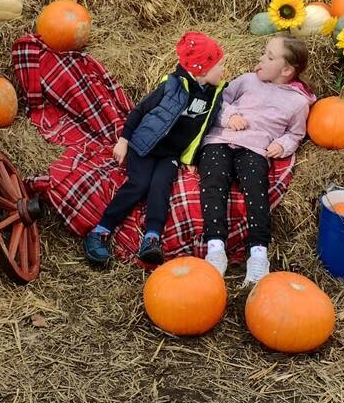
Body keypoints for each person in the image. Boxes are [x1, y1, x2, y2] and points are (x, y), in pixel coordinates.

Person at [84, 31, 226, 266]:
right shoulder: (172, 85)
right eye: (219, 65)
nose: (223, 70)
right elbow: (140, 110)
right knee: (139, 184)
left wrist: (191, 158)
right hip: (145, 145)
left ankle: (151, 239)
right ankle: (100, 230)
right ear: (202, 70)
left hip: (170, 154)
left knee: (160, 187)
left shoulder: (215, 94)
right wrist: (124, 140)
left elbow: (207, 126)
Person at [199, 34, 316, 286]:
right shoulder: (247, 80)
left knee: (256, 190)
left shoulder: (298, 103)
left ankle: (258, 254)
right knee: (214, 182)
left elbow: (295, 133)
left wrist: (282, 145)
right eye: (264, 53)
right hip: (220, 140)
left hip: (254, 148)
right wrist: (230, 117)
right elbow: (219, 100)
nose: (261, 59)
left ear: (286, 70)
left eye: (269, 57)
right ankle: (215, 248)